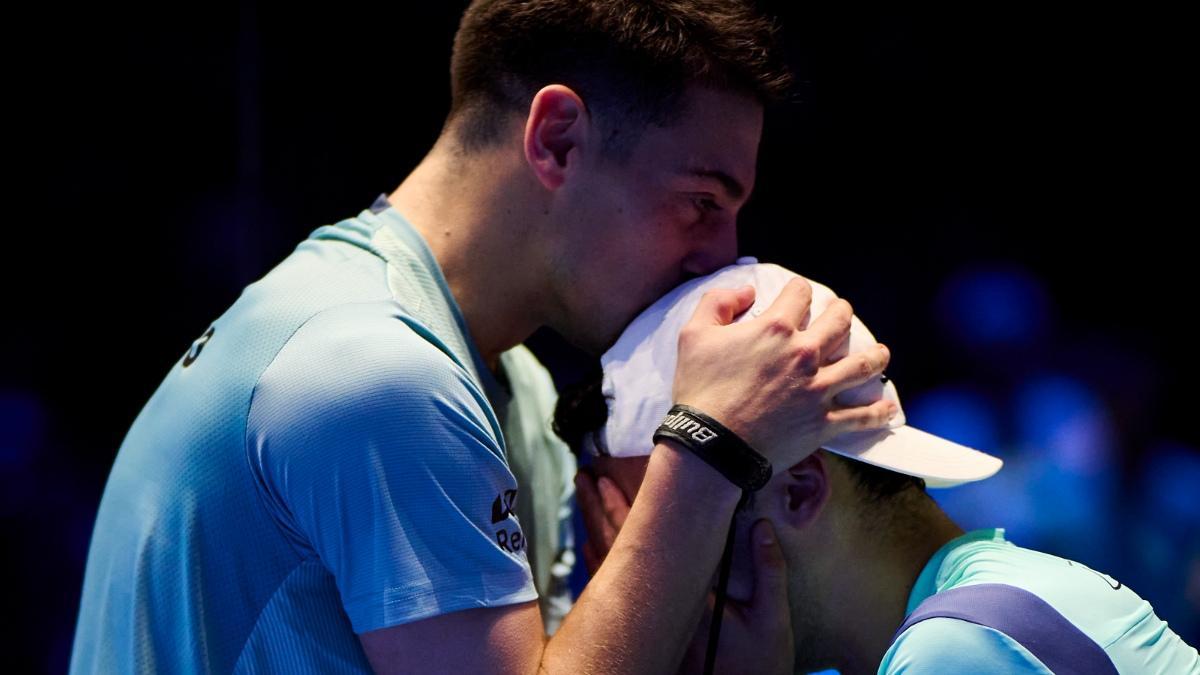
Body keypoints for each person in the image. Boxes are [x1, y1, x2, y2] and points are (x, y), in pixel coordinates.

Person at [69, 2, 898, 673]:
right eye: (702, 201)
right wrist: (710, 448)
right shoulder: (371, 371)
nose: (719, 254)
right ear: (558, 138)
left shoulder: (516, 388)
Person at [562, 261, 1200, 674]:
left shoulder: (963, 645)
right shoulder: (948, 616)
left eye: (664, 518)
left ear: (798, 491)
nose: (635, 579)